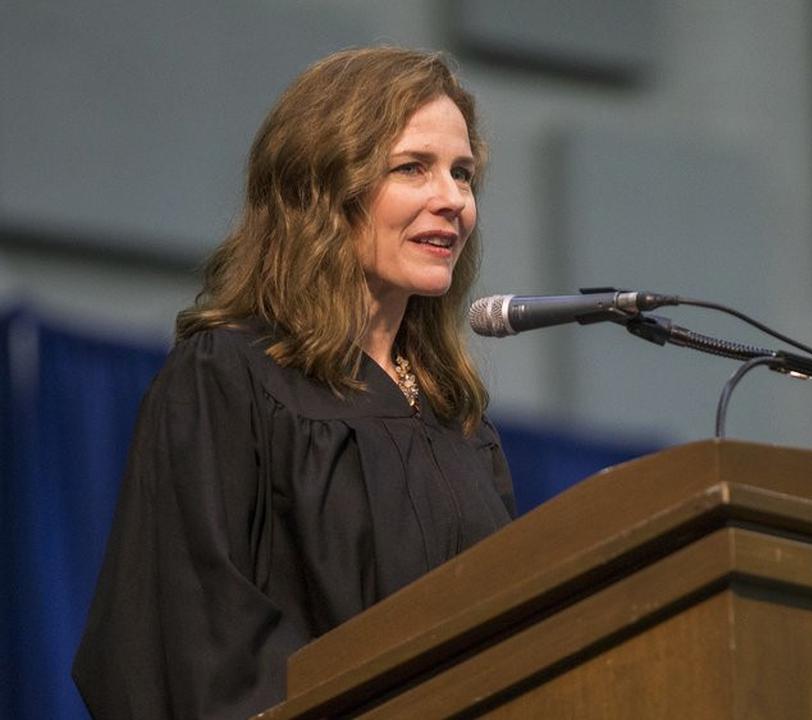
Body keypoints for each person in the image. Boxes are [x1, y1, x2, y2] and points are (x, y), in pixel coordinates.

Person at [72, 47, 516, 719]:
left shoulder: (459, 423)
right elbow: (192, 644)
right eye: (412, 169)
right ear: (323, 191)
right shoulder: (230, 378)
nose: (452, 199)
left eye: (463, 173)